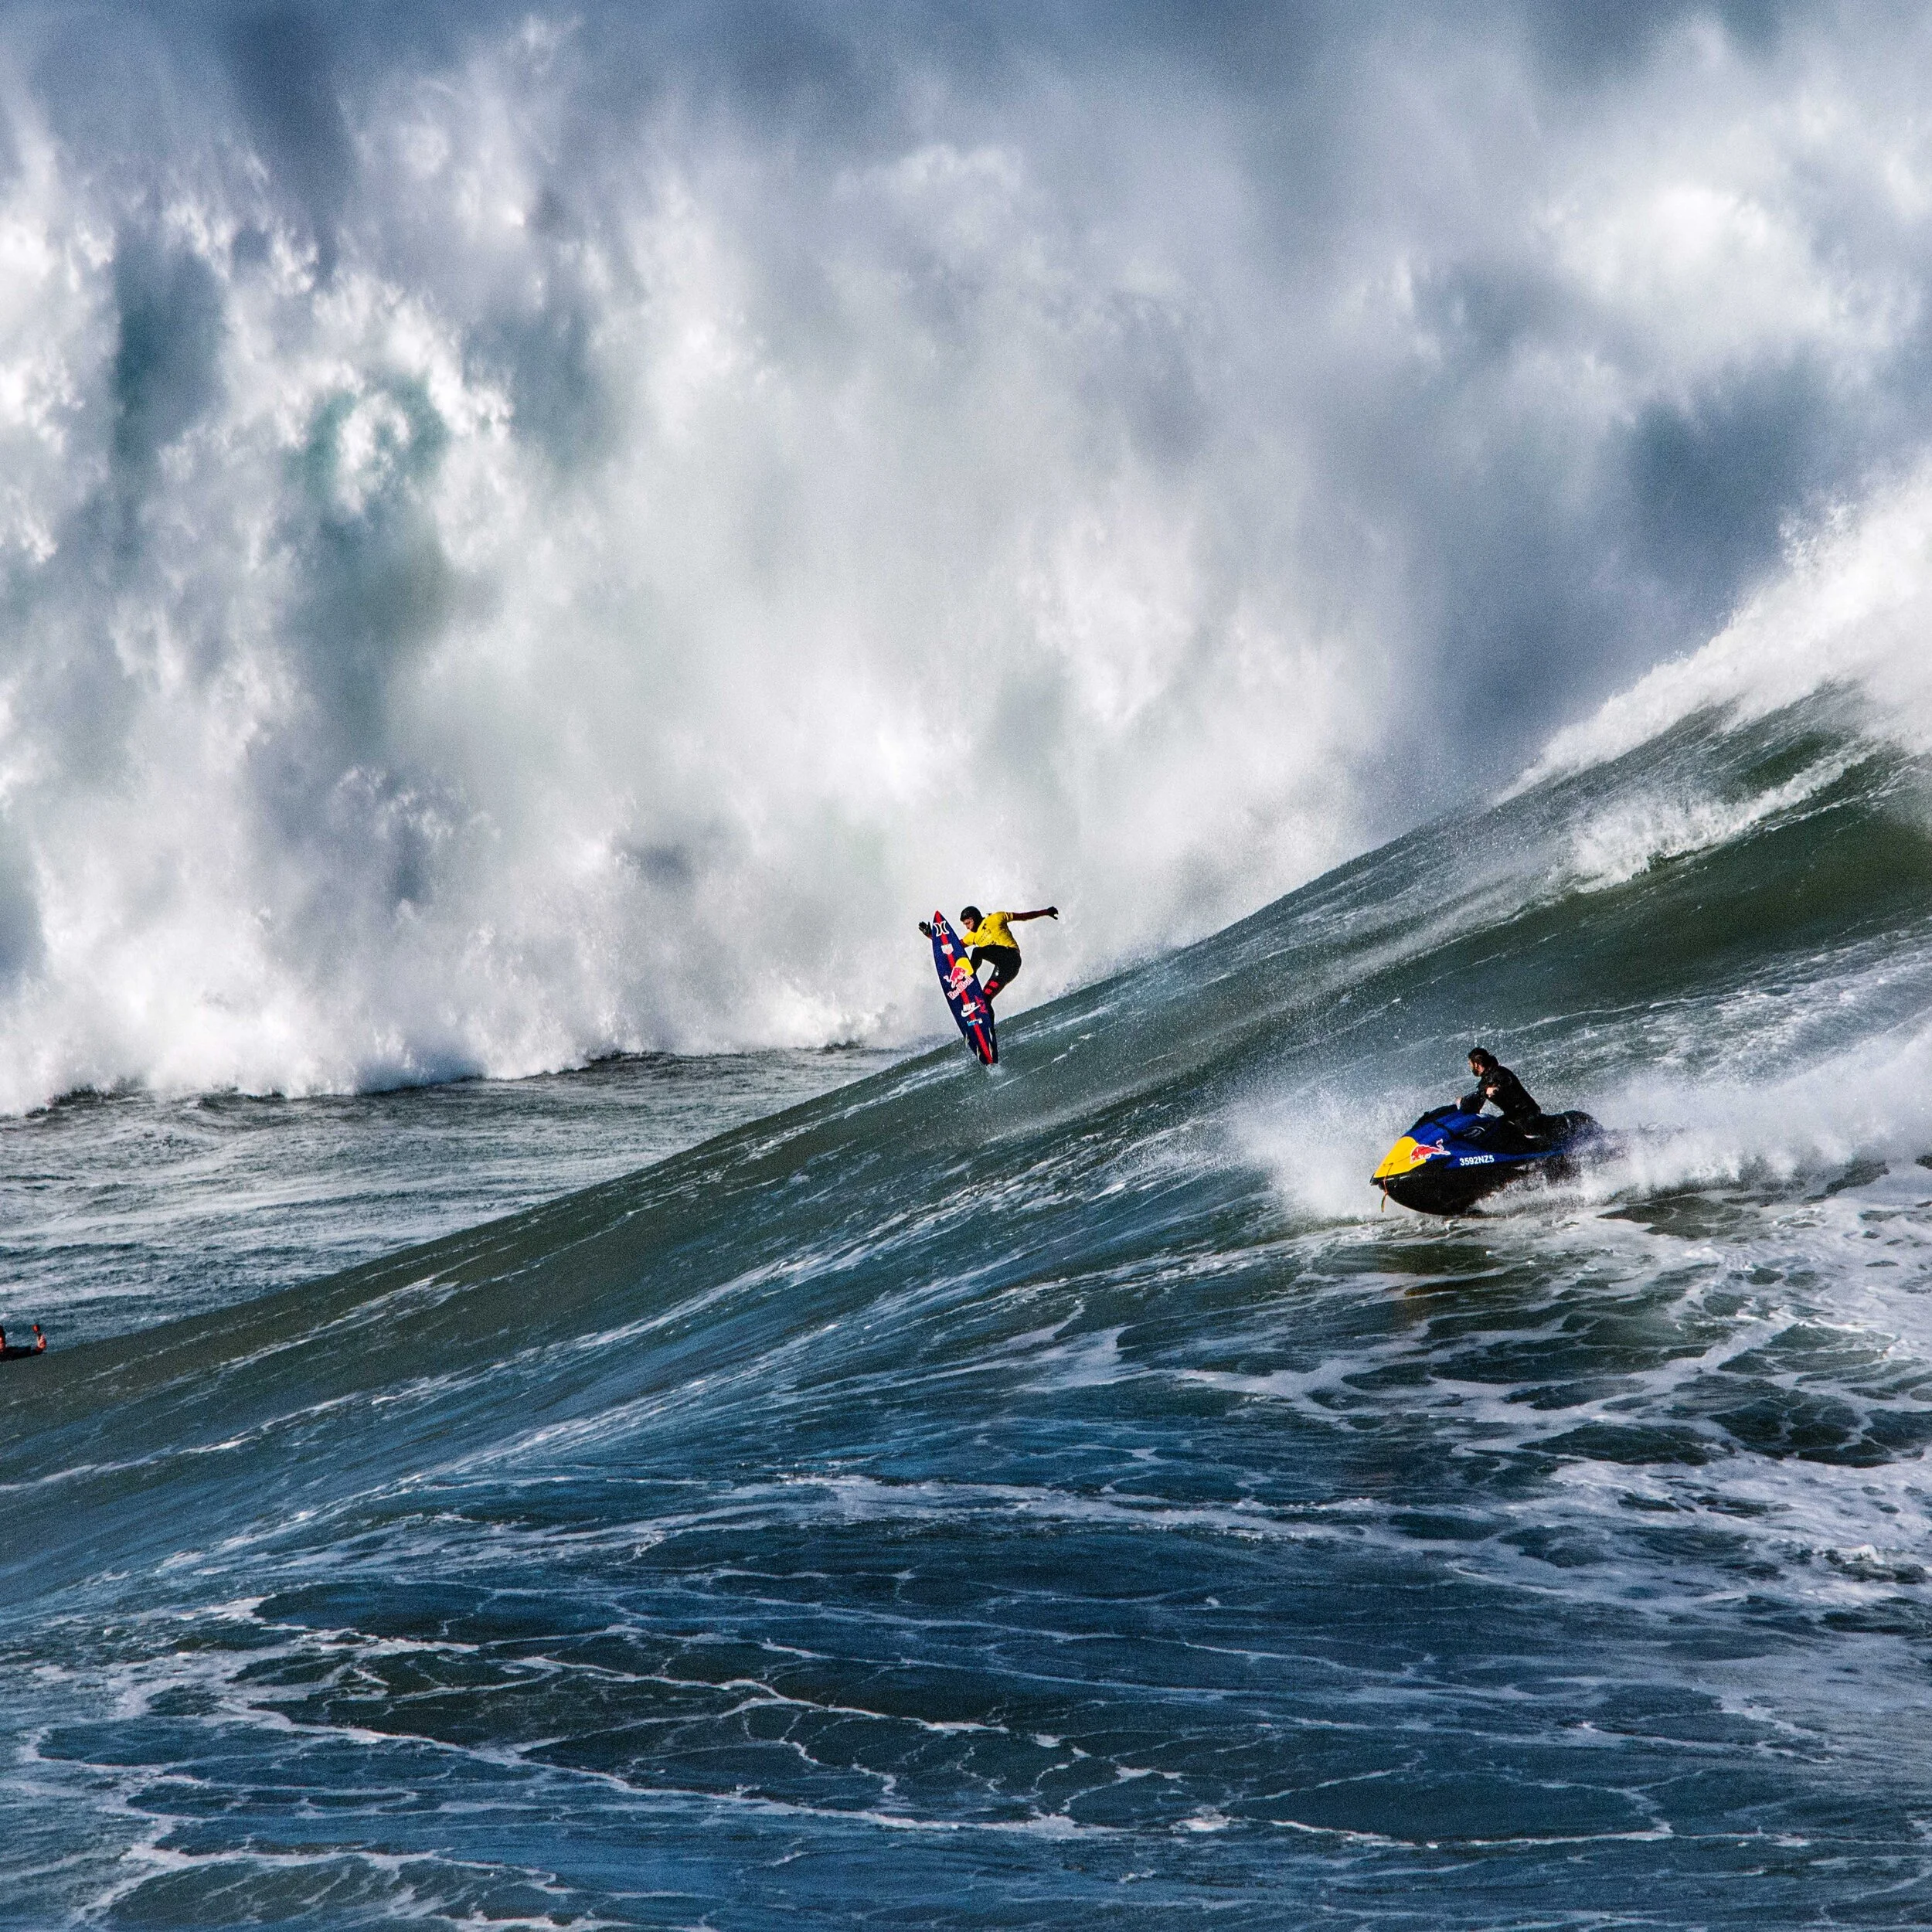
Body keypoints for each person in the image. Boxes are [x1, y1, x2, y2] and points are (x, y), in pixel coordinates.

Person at [920, 903, 1060, 1000]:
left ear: (974, 918)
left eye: (968, 923)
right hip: (1005, 970)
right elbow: (952, 947)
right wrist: (932, 936)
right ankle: (988, 1033)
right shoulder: (972, 936)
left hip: (1011, 956)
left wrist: (1046, 912)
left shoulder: (996, 918)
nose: (967, 927)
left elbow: (1023, 916)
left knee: (978, 952)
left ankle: (968, 980)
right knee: (984, 1000)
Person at [1458, 1046, 1548, 1134]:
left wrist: (1496, 1088)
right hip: (1512, 1116)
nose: (1470, 1067)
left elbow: (1506, 1081)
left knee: (1513, 1128)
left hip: (1526, 1113)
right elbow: (1479, 1099)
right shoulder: (1484, 1081)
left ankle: (1539, 1141)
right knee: (1494, 1127)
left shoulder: (1500, 1072)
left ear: (1476, 1064)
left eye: (1470, 1064)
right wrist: (1464, 1102)